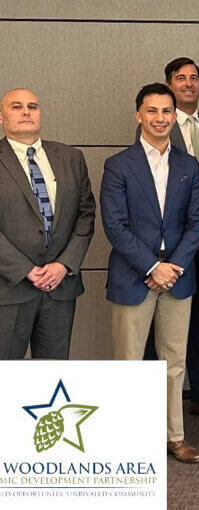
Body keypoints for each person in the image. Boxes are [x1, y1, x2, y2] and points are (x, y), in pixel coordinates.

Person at [101, 83, 199, 463]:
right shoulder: (117, 165)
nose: (160, 119)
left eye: (167, 112)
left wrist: (171, 267)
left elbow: (197, 222)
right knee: (129, 364)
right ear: (138, 115)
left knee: (173, 363)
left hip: (177, 277)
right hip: (135, 275)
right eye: (152, 111)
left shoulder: (188, 165)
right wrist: (151, 266)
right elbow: (115, 225)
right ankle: (130, 443)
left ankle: (174, 437)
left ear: (174, 116)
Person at [139, 57, 199, 421]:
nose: (189, 83)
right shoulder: (157, 123)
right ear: (169, 85)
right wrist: (188, 237)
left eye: (194, 78)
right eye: (181, 78)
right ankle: (153, 402)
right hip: (167, 247)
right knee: (155, 328)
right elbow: (153, 190)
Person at [0, 88, 95, 359]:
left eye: (33, 106)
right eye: (16, 106)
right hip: (8, 289)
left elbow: (86, 214)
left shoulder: (71, 158)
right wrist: (26, 269)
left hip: (60, 288)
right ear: (2, 117)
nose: (26, 111)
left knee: (52, 380)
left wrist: (64, 265)